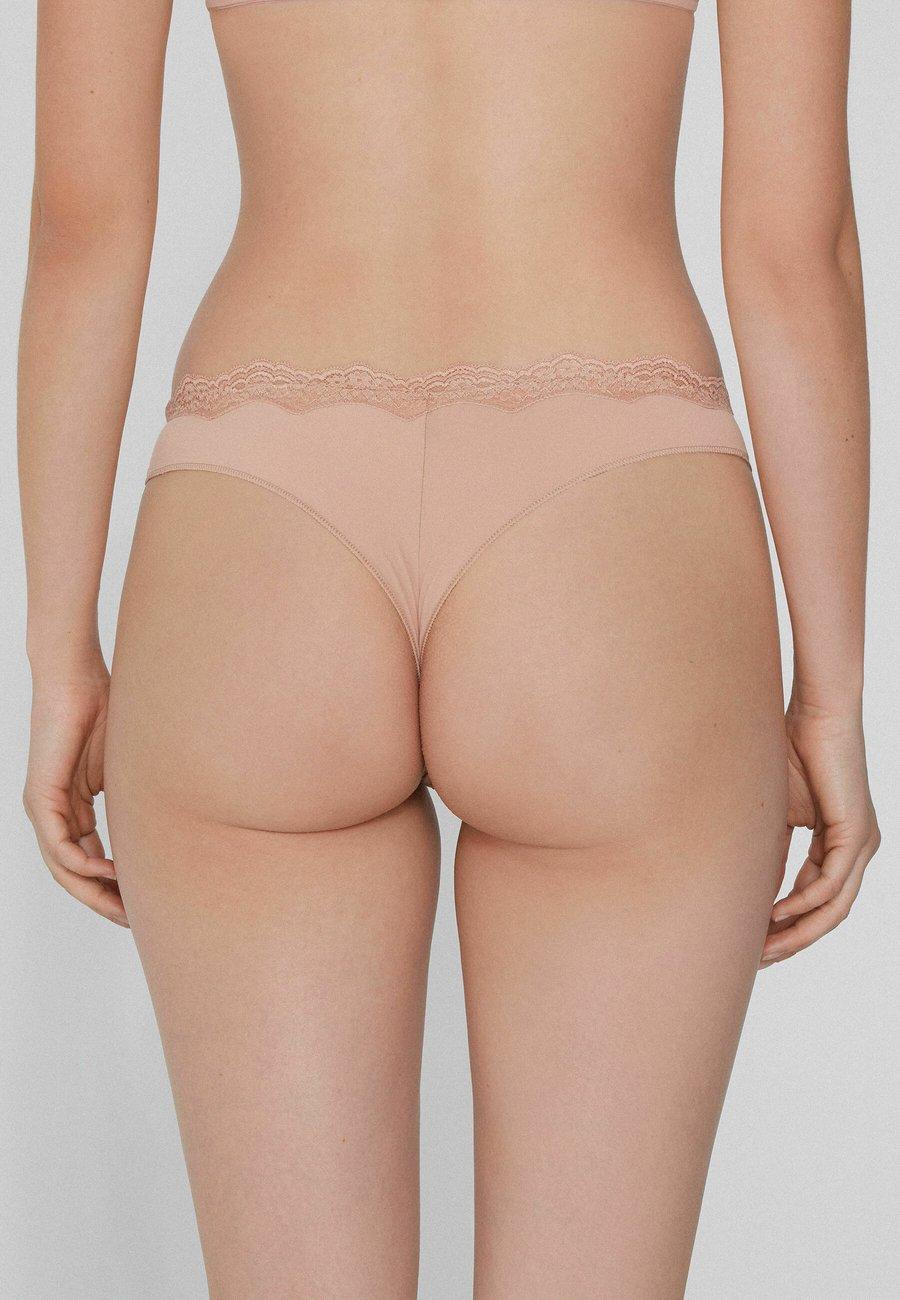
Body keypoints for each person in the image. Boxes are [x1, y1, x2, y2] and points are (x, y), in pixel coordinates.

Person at [18, 0, 880, 1293]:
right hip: (614, 536)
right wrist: (832, 692)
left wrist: (59, 659)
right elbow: (793, 251)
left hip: (259, 538)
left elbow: (84, 227)